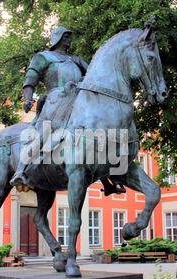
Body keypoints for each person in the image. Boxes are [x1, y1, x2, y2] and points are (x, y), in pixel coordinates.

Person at [10, 26, 125, 196]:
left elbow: (95, 76)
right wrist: (28, 99)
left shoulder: (76, 60)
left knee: (96, 131)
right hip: (56, 98)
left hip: (79, 99)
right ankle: (21, 170)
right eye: (65, 37)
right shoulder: (43, 57)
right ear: (57, 38)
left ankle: (109, 176)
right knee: (45, 130)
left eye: (69, 37)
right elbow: (30, 80)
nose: (68, 40)